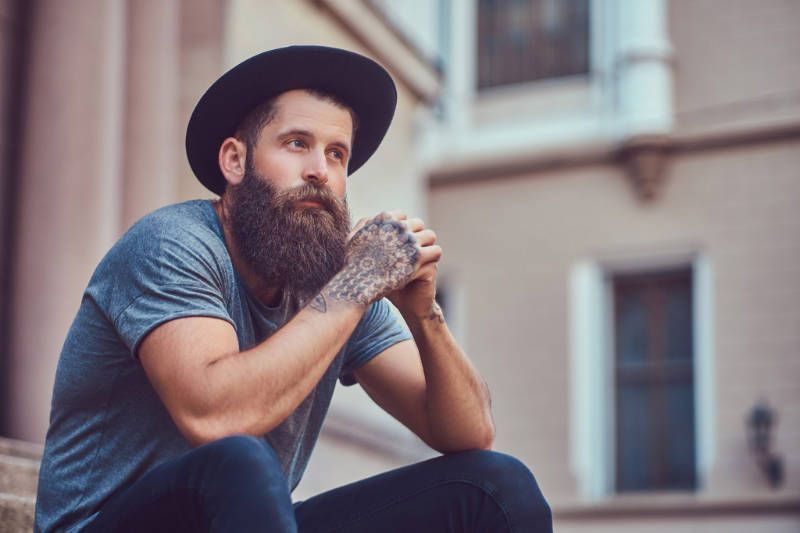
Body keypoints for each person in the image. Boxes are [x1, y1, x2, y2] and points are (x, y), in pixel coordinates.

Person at [34, 45, 552, 532]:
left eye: (336, 155)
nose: (319, 171)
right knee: (238, 459)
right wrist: (357, 284)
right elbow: (216, 417)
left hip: (246, 517)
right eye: (297, 144)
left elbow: (467, 434)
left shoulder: (335, 280)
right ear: (235, 161)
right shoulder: (172, 244)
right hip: (104, 524)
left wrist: (424, 315)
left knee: (496, 486)